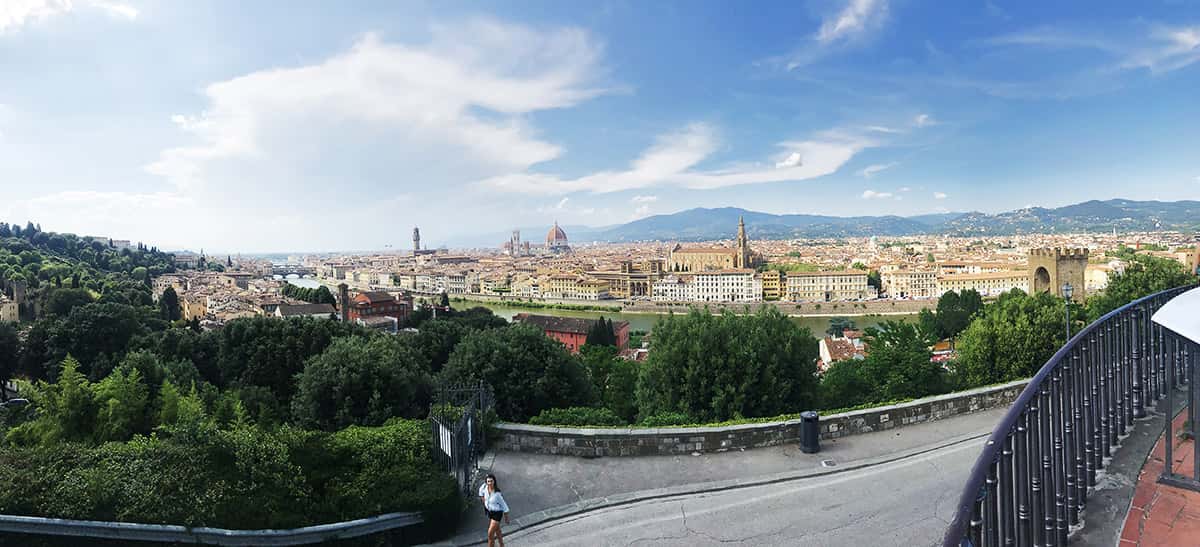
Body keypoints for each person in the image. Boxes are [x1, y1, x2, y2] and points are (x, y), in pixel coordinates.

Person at [479, 473, 510, 547]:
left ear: (494, 482)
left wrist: (506, 519)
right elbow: (480, 493)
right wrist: (485, 503)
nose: (490, 483)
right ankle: (502, 545)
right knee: (497, 530)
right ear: (486, 482)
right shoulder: (484, 488)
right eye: (488, 481)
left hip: (497, 514)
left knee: (490, 534)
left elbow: (505, 507)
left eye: (491, 481)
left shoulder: (497, 494)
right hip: (490, 513)